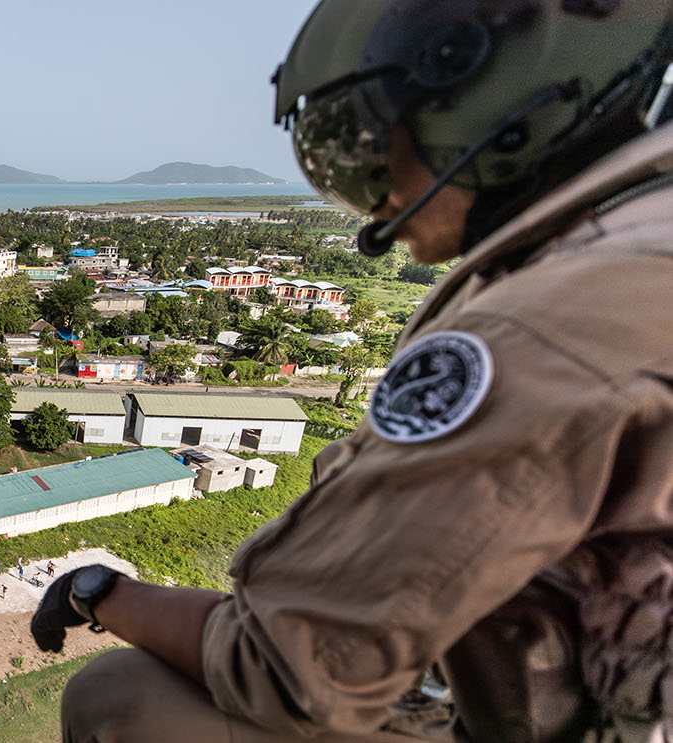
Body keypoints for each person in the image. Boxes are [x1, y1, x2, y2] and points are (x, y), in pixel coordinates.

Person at [35, 3, 673, 743]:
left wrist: (98, 590)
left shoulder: (536, 327)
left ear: (472, 98)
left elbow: (287, 668)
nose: (371, 198)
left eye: (365, 149)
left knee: (117, 694)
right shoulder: (636, 233)